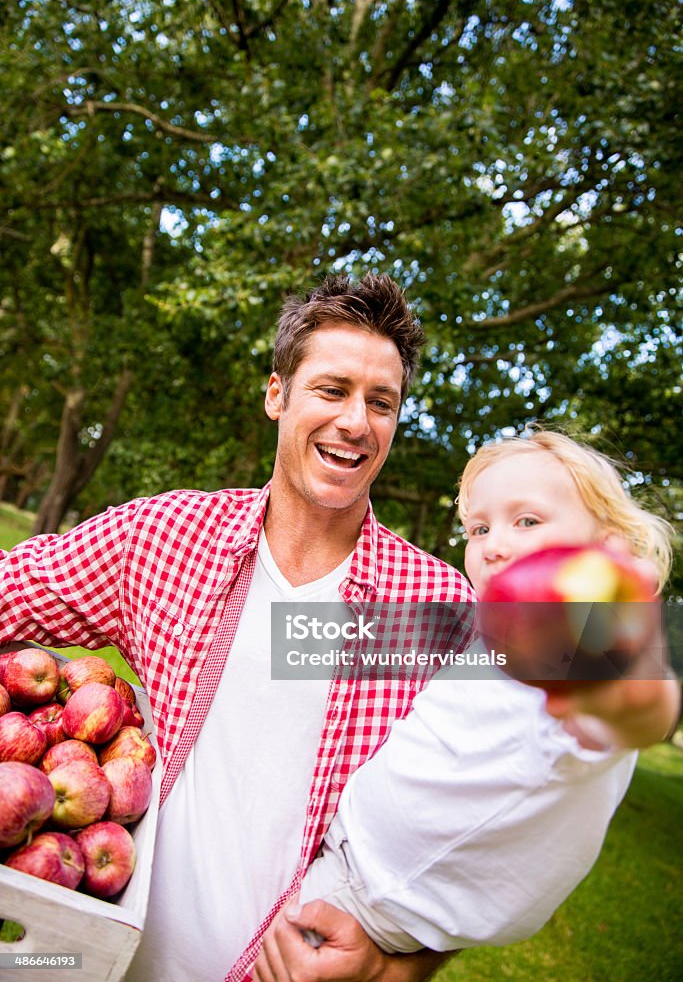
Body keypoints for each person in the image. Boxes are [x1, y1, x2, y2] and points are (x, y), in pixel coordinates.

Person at [1, 273, 477, 982]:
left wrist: (399, 968)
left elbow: (486, 819)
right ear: (275, 394)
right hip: (91, 955)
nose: (356, 421)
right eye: (331, 389)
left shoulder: (436, 607)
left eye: (382, 402)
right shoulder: (166, 535)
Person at [253, 429, 679, 977]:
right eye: (479, 528)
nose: (493, 544)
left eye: (527, 521)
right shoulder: (498, 640)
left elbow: (641, 713)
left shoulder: (578, 650)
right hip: (345, 865)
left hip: (364, 899)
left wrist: (630, 673)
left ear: (609, 547)